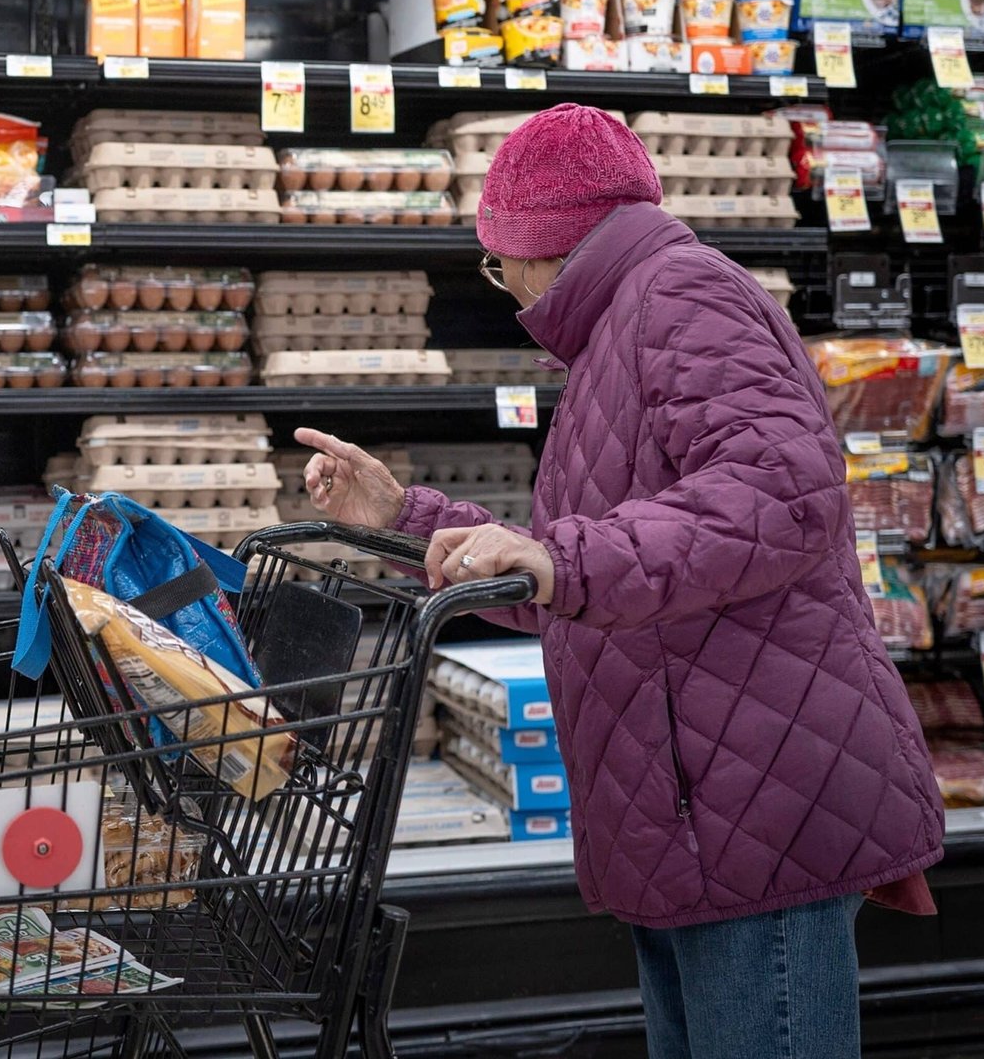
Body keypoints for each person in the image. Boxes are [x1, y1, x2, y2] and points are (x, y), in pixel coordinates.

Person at [297, 103, 944, 1059]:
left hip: (750, 807)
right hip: (685, 811)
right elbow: (587, 580)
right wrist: (409, 520)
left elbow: (780, 490)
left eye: (497, 260)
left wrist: (565, 561)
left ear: (541, 246)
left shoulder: (682, 296)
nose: (505, 288)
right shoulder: (623, 330)